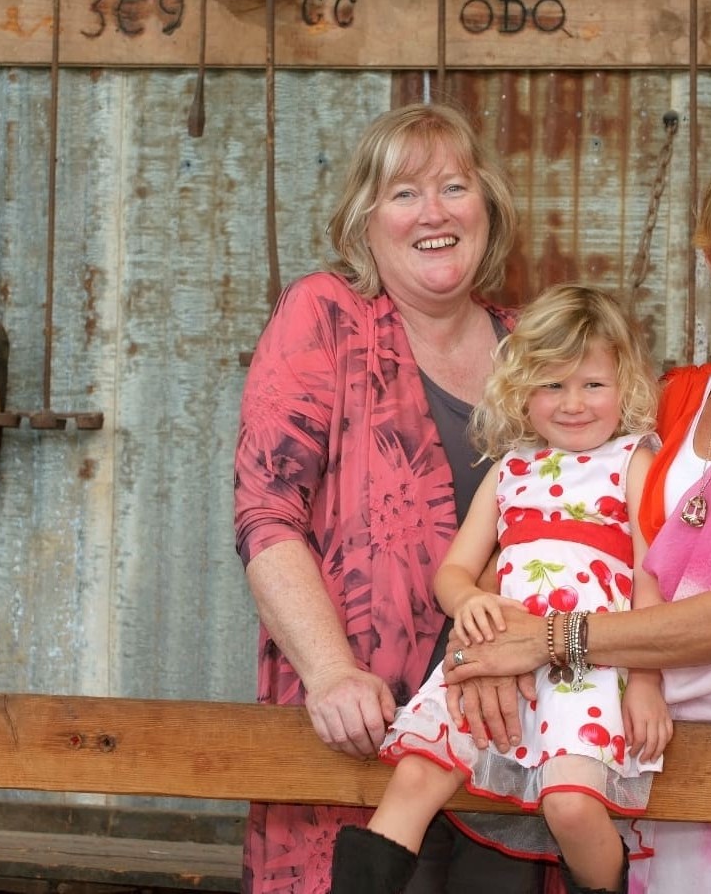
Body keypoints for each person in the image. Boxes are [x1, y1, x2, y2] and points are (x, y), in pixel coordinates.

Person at [441, 138, 711, 893]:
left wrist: (547, 640)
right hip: (632, 735)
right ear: (707, 257)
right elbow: (547, 518)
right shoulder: (672, 396)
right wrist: (477, 636)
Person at [233, 101, 549, 893]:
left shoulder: (539, 353)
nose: (433, 212)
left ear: (488, 207)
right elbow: (266, 514)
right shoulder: (327, 318)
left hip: (512, 746)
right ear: (364, 222)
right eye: (403, 193)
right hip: (361, 741)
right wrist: (331, 673)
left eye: (453, 186)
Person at [331, 284, 673, 894]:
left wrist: (647, 682)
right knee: (416, 779)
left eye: (592, 384)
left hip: (585, 666)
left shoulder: (632, 461)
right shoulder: (511, 468)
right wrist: (470, 601)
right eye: (551, 385)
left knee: (570, 806)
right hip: (494, 657)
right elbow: (453, 573)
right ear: (522, 388)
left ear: (626, 385)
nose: (573, 403)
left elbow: (651, 577)